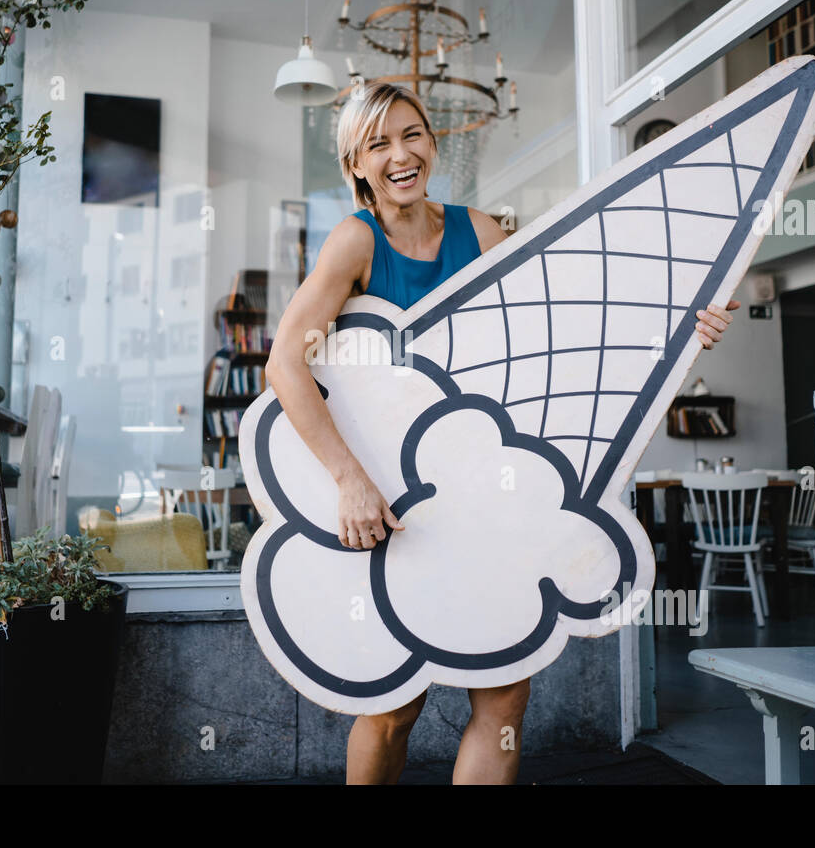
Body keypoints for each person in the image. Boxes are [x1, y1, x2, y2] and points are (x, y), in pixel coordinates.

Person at [263, 82, 737, 784]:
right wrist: (349, 479)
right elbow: (284, 364)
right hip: (395, 502)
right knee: (395, 703)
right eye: (379, 143)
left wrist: (682, 332)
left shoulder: (481, 232)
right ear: (355, 165)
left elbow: (570, 330)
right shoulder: (356, 241)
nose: (402, 154)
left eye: (413, 134)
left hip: (487, 491)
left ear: (433, 141)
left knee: (505, 691)